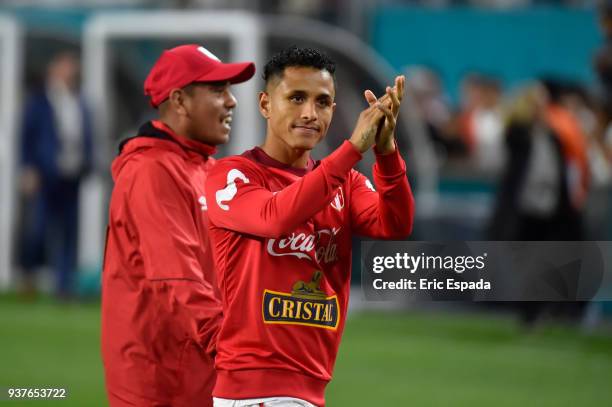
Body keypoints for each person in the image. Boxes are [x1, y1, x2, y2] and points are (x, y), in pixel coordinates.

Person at [204, 46, 414, 407]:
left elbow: (394, 223)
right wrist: (351, 150)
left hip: (309, 389)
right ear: (266, 104)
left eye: (322, 102)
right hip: (256, 390)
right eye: (296, 98)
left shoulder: (342, 183)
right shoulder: (233, 175)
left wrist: (386, 151)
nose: (309, 113)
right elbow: (274, 217)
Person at [101, 44, 255, 407]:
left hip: (199, 369)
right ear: (179, 101)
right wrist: (237, 349)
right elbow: (176, 277)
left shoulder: (206, 169)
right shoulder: (151, 171)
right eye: (218, 91)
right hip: (159, 380)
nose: (232, 102)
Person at [18, 51, 92, 298]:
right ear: (54, 69)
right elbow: (27, 137)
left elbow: (86, 134)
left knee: (69, 231)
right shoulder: (39, 100)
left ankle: (64, 286)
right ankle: (28, 276)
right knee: (38, 229)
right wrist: (28, 167)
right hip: (45, 174)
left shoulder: (80, 100)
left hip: (71, 174)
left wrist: (89, 162)